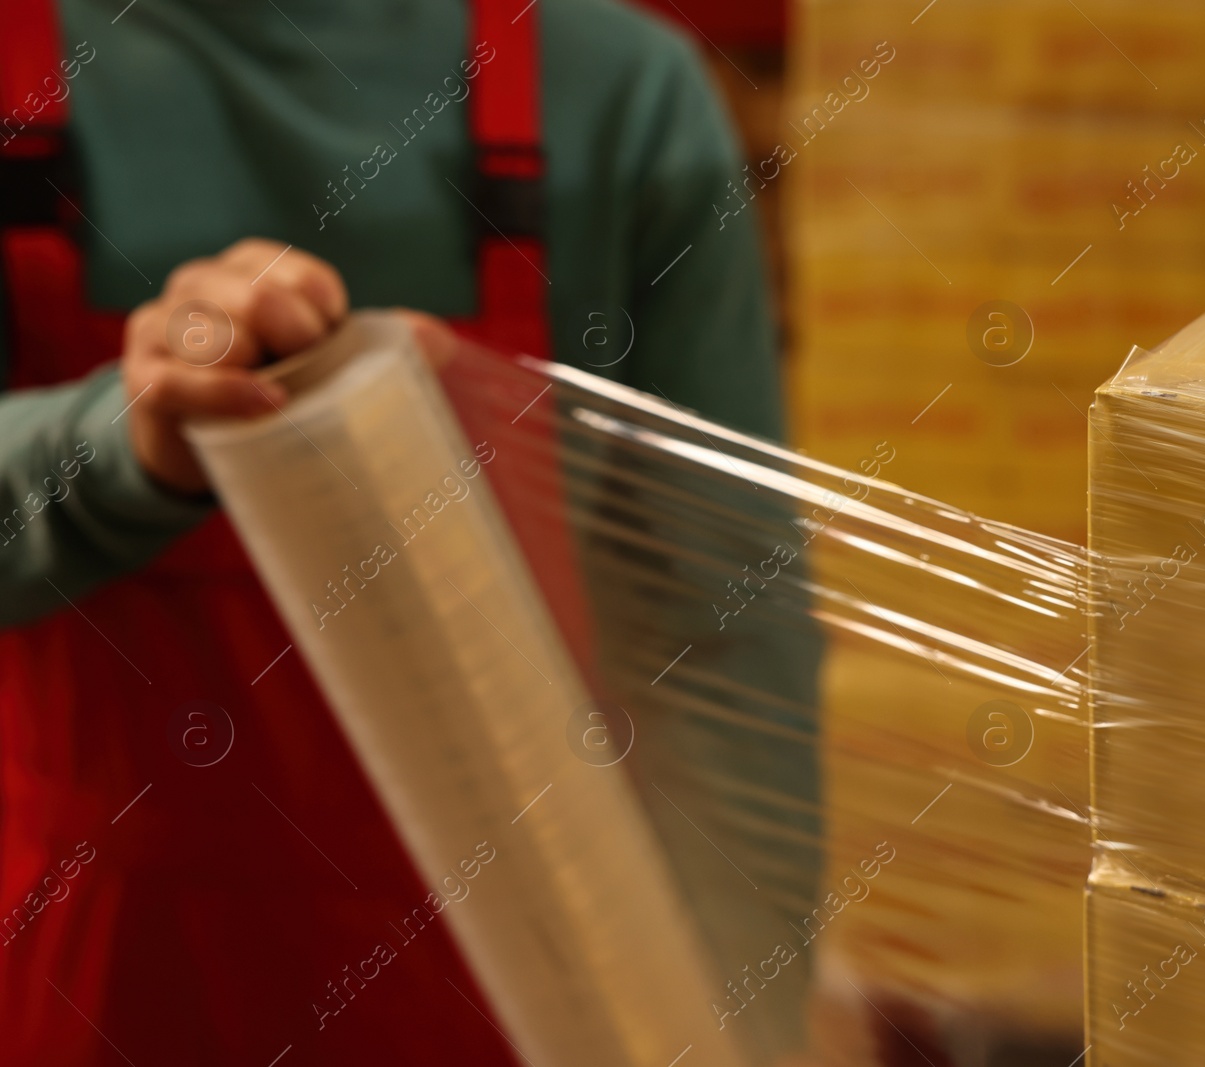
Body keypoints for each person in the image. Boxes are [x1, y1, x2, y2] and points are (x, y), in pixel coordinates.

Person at [0, 0, 793, 1062]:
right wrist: (123, 444)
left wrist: (756, 1018)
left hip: (527, 988)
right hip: (88, 985)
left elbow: (730, 643)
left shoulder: (619, 94)